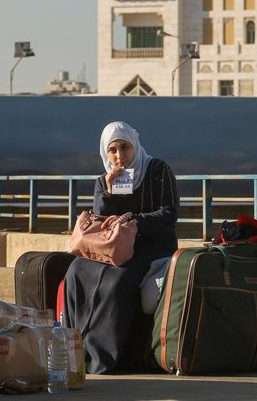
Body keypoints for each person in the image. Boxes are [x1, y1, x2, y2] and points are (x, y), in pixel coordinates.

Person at [64, 121, 179, 374]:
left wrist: (135, 223)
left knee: (119, 280)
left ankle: (107, 358)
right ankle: (77, 349)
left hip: (151, 246)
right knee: (76, 271)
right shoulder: (104, 180)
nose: (119, 156)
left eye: (124, 148)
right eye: (112, 150)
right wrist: (108, 191)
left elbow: (169, 213)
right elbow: (100, 224)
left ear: (134, 146)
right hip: (114, 248)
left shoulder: (157, 169)